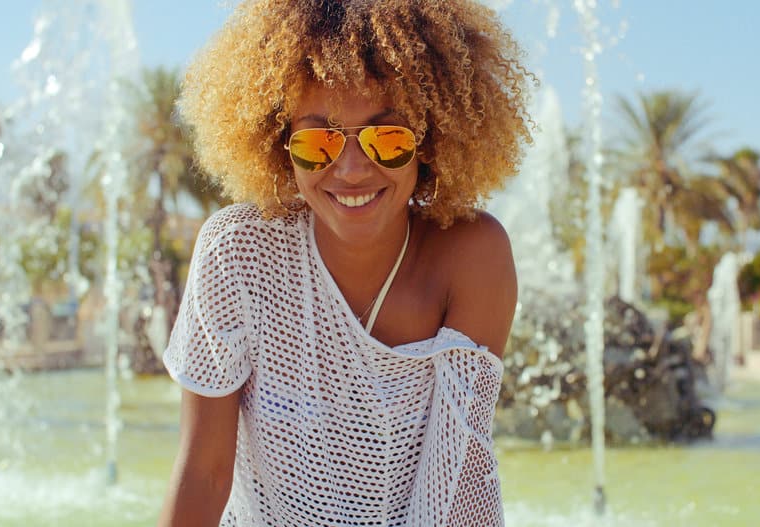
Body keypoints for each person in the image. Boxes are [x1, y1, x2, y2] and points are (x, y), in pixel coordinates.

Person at [158, 1, 533, 525]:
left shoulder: (470, 255)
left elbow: (455, 485)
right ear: (279, 143)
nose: (352, 169)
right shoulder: (238, 251)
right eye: (318, 142)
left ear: (428, 141)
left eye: (387, 138)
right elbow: (204, 474)